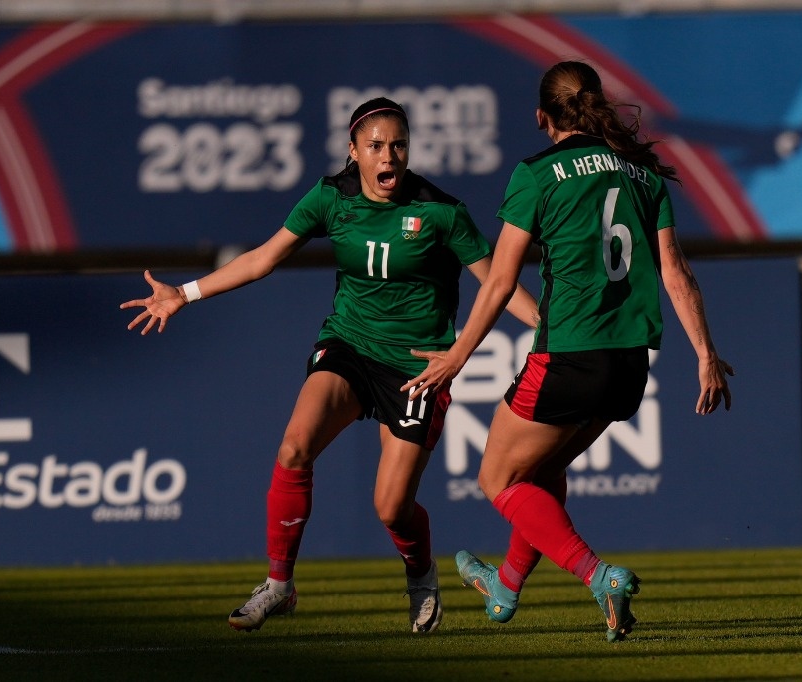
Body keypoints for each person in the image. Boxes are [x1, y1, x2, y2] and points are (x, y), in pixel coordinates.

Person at [121, 97, 538, 635]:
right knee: (295, 445)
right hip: (348, 346)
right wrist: (185, 292)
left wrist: (551, 329)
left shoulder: (441, 211)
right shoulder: (330, 198)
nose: (390, 156)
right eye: (377, 146)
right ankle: (279, 584)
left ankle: (421, 572)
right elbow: (262, 259)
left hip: (416, 366)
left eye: (399, 145)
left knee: (391, 508)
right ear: (353, 152)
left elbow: (499, 285)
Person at [402, 62, 734, 642]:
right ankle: (505, 587)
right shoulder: (641, 173)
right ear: (598, 106)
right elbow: (675, 273)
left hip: (568, 354)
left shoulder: (537, 174)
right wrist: (705, 353)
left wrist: (457, 355)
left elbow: (500, 281)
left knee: (497, 480)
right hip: (631, 362)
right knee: (542, 469)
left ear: (541, 117)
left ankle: (597, 575)